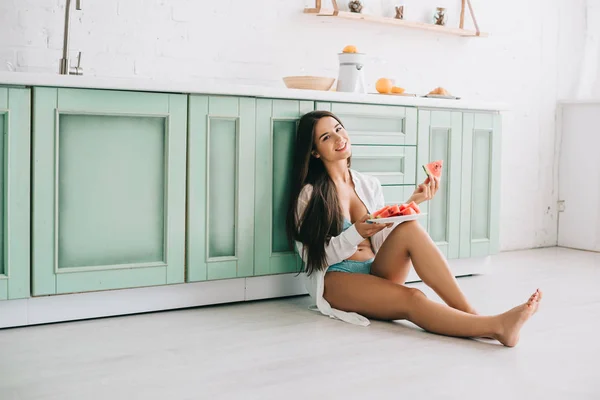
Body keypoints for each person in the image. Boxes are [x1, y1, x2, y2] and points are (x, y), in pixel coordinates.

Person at [285, 110, 542, 347]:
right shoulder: (309, 196)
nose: (339, 138)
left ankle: (471, 314)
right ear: (315, 152)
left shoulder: (368, 184)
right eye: (327, 136)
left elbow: (383, 234)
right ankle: (496, 327)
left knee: (410, 227)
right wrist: (356, 233)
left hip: (375, 269)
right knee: (414, 297)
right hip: (337, 279)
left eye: (339, 129)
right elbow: (313, 259)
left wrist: (412, 203)